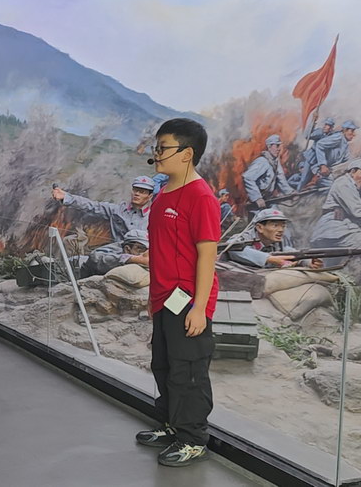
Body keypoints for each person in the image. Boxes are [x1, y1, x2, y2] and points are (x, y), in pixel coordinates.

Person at [136, 118, 218, 467]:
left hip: (188, 301)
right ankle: (172, 424)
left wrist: (199, 307)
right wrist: (153, 295)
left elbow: (207, 255)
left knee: (189, 370)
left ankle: (193, 439)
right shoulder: (164, 193)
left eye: (163, 148)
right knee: (164, 364)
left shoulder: (201, 197)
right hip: (164, 298)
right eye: (156, 147)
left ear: (187, 153)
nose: (156, 154)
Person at [309, 159, 361, 283]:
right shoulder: (344, 183)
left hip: (329, 233)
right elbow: (359, 212)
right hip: (336, 231)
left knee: (329, 271)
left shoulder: (350, 185)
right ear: (352, 171)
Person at [52, 175, 155, 242]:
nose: (137, 194)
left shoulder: (154, 216)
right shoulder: (118, 210)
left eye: (142, 192)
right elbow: (92, 206)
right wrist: (66, 197)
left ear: (150, 196)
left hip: (143, 255)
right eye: (135, 190)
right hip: (117, 253)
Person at [225, 209, 322, 269]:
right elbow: (231, 248)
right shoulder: (245, 238)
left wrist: (307, 261)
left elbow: (287, 252)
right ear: (260, 228)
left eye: (283, 226)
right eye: (275, 225)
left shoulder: (276, 242)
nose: (281, 230)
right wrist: (269, 259)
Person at [296, 120, 358, 191]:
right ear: (345, 130)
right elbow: (319, 144)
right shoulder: (338, 137)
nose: (354, 134)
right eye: (352, 131)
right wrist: (323, 165)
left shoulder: (345, 143)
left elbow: (347, 159)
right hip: (316, 165)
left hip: (328, 171)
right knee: (303, 180)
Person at [242, 134, 294, 208]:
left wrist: (290, 192)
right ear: (269, 147)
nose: (279, 149)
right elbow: (247, 177)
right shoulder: (262, 161)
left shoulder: (275, 162)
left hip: (268, 200)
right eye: (277, 146)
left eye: (279, 146)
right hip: (257, 204)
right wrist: (257, 198)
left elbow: (281, 179)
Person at [77, 229, 149, 278]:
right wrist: (132, 259)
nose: (143, 253)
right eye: (140, 249)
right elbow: (96, 259)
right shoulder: (115, 250)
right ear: (127, 249)